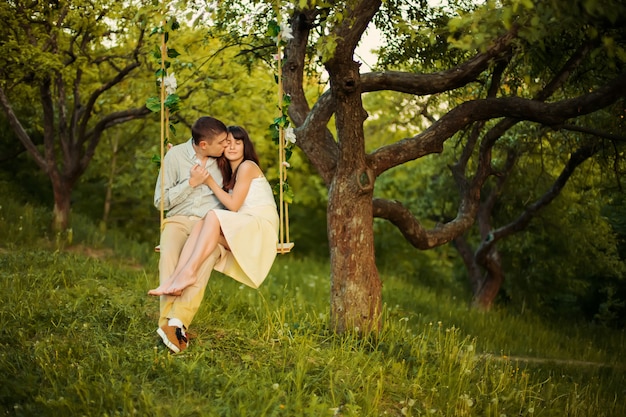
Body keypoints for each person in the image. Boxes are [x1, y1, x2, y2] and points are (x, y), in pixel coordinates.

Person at [149, 126, 279, 334]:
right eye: (228, 142)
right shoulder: (227, 169)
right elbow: (202, 141)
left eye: (238, 142)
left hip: (258, 226)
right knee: (202, 225)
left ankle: (185, 280)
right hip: (240, 226)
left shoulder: (247, 166)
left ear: (246, 146)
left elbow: (234, 206)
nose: (232, 146)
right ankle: (177, 283)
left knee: (210, 216)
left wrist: (208, 180)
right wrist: (174, 155)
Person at [152, 116, 230, 354]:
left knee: (205, 259)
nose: (226, 146)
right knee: (169, 256)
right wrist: (191, 183)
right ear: (204, 144)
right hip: (178, 220)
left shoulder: (225, 161)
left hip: (209, 228)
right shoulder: (174, 157)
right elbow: (160, 201)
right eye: (221, 143)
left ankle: (175, 322)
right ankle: (171, 325)